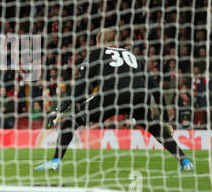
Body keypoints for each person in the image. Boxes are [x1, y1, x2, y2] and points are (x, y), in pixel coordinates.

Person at [35, 28, 194, 171]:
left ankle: (55, 160)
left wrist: (60, 109)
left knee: (73, 120)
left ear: (98, 43)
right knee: (151, 125)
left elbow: (81, 85)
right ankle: (185, 161)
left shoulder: (98, 54)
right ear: (116, 42)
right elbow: (154, 88)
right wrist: (165, 119)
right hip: (138, 95)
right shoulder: (134, 56)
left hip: (112, 95)